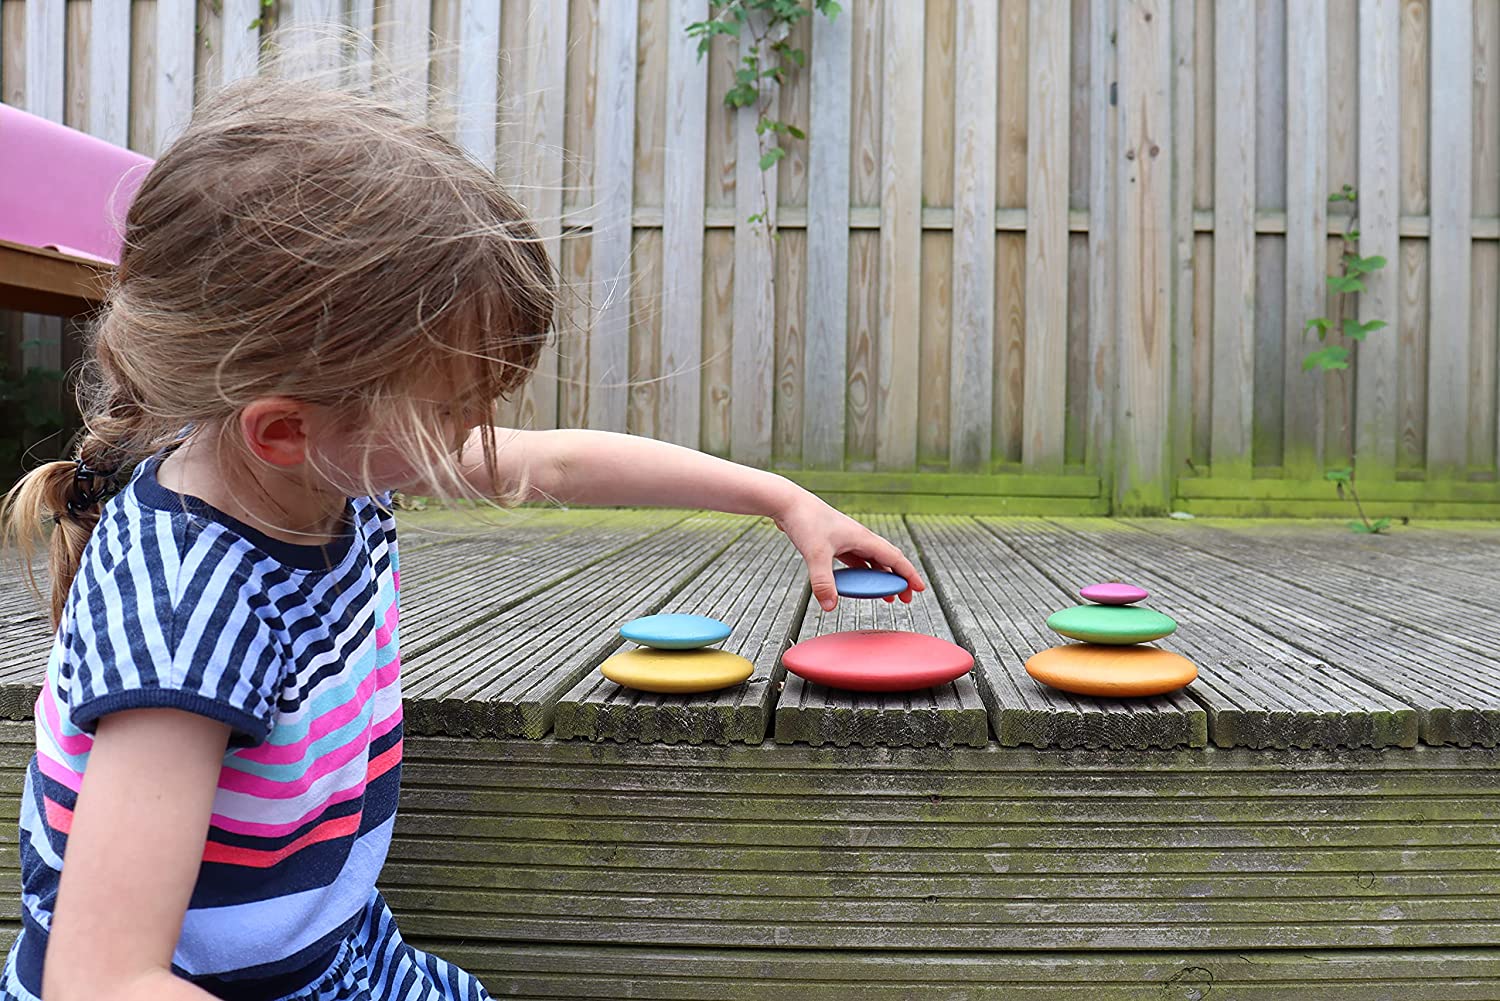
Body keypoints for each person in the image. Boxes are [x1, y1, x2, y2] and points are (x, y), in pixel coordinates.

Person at [0, 78, 923, 1001]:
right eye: (454, 408)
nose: (481, 432)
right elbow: (101, 977)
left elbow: (553, 465)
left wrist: (781, 500)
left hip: (340, 957)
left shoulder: (314, 469)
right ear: (283, 427)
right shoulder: (189, 614)